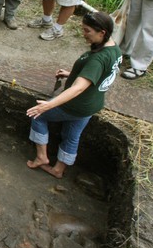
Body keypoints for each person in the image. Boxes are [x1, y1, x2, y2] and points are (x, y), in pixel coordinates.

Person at [26, 11, 122, 179]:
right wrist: (72, 74)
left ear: (102, 32)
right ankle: (58, 169)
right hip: (91, 106)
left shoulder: (97, 59)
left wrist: (48, 105)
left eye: (87, 31)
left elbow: (78, 88)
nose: (83, 35)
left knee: (38, 117)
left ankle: (42, 156)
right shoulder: (115, 50)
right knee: (71, 136)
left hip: (75, 104)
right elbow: (100, 75)